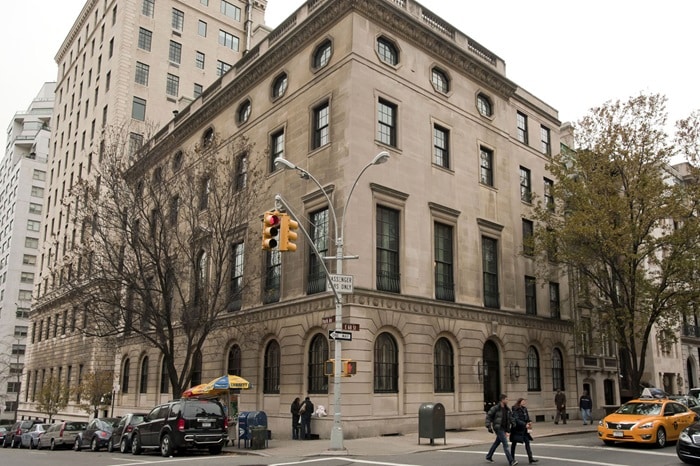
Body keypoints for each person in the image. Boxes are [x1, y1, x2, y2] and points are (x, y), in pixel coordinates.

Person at [485, 394, 518, 466]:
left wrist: (513, 423)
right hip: (498, 428)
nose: (507, 400)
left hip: (504, 428)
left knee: (496, 443)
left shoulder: (507, 409)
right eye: (506, 399)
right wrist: (488, 426)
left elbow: (510, 417)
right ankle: (511, 461)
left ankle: (489, 456)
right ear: (502, 400)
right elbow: (488, 416)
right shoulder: (496, 408)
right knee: (505, 445)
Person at [510, 398, 538, 464]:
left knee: (527, 442)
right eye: (523, 401)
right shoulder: (515, 409)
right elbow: (516, 419)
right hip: (517, 429)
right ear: (519, 402)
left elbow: (527, 418)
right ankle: (511, 458)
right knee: (514, 443)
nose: (524, 402)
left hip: (524, 430)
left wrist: (529, 422)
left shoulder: (525, 409)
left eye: (524, 401)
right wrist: (524, 424)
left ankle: (530, 458)